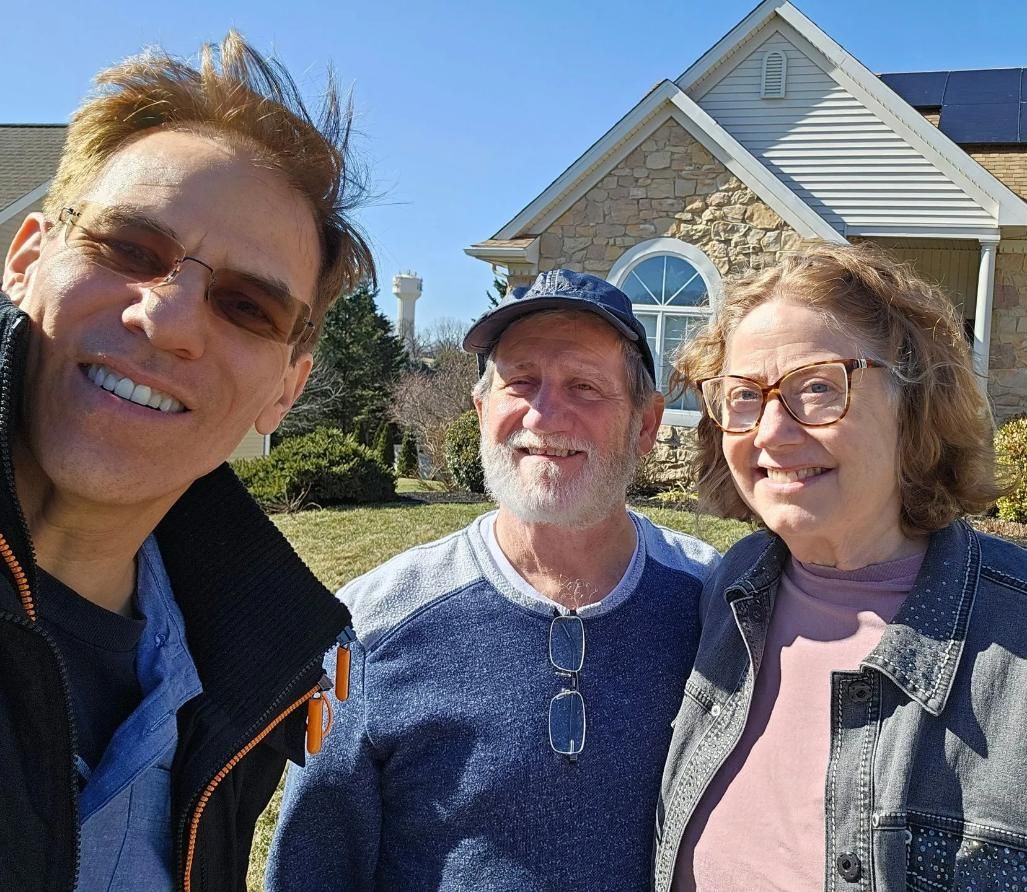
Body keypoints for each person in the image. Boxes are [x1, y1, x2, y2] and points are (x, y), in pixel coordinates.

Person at [655, 242, 1027, 891]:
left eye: (818, 387)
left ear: (914, 402)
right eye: (743, 396)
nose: (769, 431)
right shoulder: (724, 600)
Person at [0, 33, 374, 890]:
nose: (166, 321)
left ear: (285, 390)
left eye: (245, 307)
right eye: (129, 250)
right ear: (26, 260)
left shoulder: (251, 683)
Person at [268, 269, 720, 890]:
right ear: (483, 411)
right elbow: (313, 867)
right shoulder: (369, 629)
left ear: (644, 426)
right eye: (520, 382)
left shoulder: (719, 611)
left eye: (585, 387)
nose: (544, 413)